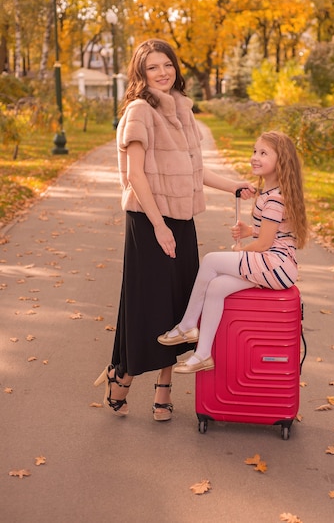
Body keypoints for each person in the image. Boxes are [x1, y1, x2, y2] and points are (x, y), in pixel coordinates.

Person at [94, 38, 253, 419]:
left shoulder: (184, 110)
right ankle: (123, 377)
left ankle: (163, 392)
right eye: (153, 67)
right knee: (148, 306)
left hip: (182, 222)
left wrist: (233, 185)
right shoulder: (138, 111)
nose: (162, 73)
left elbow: (196, 172)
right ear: (141, 73)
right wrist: (158, 226)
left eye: (167, 65)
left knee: (181, 309)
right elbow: (135, 174)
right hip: (149, 222)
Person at [158, 130, 308, 373]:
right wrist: (249, 230)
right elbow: (271, 232)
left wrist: (241, 253)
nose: (255, 157)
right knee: (216, 287)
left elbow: (264, 245)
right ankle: (203, 354)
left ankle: (187, 325)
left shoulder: (275, 200)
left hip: (275, 264)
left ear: (281, 162)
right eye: (254, 151)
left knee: (210, 261)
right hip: (273, 266)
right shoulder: (269, 194)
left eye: (263, 153)